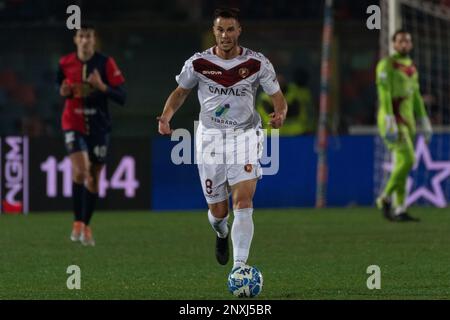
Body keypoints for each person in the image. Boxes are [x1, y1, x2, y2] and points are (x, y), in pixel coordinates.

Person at [158, 8, 287, 269]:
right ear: (213, 32)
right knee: (219, 213)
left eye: (230, 29)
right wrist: (165, 117)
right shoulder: (198, 63)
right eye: (220, 29)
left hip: (245, 136)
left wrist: (281, 113)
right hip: (210, 139)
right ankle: (221, 232)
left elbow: (278, 97)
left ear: (239, 31)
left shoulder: (257, 63)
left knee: (243, 201)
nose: (225, 35)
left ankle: (240, 268)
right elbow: (181, 92)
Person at [57, 25, 126, 245]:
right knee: (80, 171)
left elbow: (122, 97)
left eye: (88, 36)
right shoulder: (64, 63)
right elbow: (60, 87)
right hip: (73, 122)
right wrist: (64, 91)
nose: (85, 40)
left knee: (94, 178)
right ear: (75, 40)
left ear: (94, 40)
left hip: (99, 126)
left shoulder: (106, 63)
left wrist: (101, 86)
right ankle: (77, 222)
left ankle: (85, 225)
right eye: (81, 36)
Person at [375, 29, 432, 222]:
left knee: (402, 163)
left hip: (408, 122)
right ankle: (384, 198)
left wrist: (423, 119)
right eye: (400, 41)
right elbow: (384, 92)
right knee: (408, 159)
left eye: (407, 41)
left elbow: (415, 96)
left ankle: (400, 208)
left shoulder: (412, 68)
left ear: (411, 44)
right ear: (393, 44)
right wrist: (390, 118)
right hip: (393, 120)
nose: (404, 44)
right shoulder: (386, 65)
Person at [257, 69, 315, 136]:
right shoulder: (265, 96)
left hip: (296, 132)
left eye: (280, 79)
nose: (278, 81)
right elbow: (271, 113)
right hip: (272, 133)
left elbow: (296, 111)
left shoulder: (295, 92)